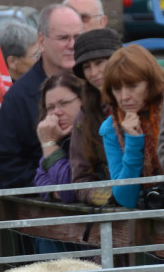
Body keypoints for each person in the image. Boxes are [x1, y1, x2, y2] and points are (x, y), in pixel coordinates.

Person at [0, 4, 83, 188]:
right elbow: (7, 165)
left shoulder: (95, 82)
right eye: (63, 38)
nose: (72, 45)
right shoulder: (19, 97)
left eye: (77, 37)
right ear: (41, 42)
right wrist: (50, 188)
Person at [101, 44, 164, 209]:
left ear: (150, 83)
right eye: (117, 88)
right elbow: (125, 198)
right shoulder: (111, 127)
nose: (124, 97)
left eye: (132, 86)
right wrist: (133, 143)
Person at [69, 28, 122, 205]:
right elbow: (81, 179)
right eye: (87, 67)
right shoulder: (84, 117)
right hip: (114, 216)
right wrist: (105, 197)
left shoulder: (150, 102)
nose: (93, 72)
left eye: (99, 62)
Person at [33, 73, 84, 204]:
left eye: (64, 103)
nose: (57, 112)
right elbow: (40, 179)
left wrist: (49, 144)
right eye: (51, 107)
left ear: (83, 101)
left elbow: (68, 190)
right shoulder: (57, 137)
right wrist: (55, 193)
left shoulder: (94, 135)